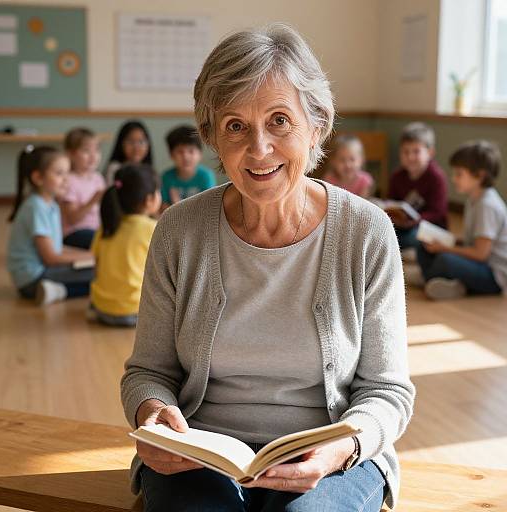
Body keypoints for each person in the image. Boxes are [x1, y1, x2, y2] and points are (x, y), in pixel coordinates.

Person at [121, 24, 414, 512]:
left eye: (280, 120)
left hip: (331, 457)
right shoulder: (178, 230)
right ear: (212, 135)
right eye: (235, 126)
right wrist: (152, 412)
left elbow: (387, 391)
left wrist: (345, 446)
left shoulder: (367, 232)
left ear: (316, 124)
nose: (259, 149)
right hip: (200, 452)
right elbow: (148, 372)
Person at [417, 140, 507, 300]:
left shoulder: (487, 205)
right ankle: (448, 283)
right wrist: (449, 241)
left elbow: (481, 254)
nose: (453, 178)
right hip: (480, 265)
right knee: (423, 245)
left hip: (494, 277)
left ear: (480, 175)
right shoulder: (474, 200)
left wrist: (445, 248)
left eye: (459, 174)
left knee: (445, 259)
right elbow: (474, 241)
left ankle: (432, 280)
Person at [7, 146, 94, 306]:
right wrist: (93, 257)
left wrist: (88, 255)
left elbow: (56, 248)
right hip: (33, 279)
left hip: (36, 276)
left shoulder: (50, 205)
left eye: (67, 173)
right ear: (38, 178)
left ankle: (55, 291)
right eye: (59, 173)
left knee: (96, 271)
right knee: (98, 273)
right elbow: (51, 258)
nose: (66, 179)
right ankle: (58, 290)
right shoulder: (36, 207)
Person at [88, 165, 161, 327]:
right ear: (149, 199)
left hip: (103, 309)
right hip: (136, 312)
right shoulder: (153, 228)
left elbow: (96, 267)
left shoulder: (106, 227)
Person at [388, 122, 448, 250]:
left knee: (412, 237)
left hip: (431, 227)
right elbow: (391, 203)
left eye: (416, 151)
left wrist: (415, 221)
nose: (410, 157)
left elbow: (438, 212)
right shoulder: (396, 176)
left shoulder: (436, 178)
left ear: (430, 153)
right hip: (403, 226)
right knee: (383, 233)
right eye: (405, 152)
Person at [61, 127, 106, 250]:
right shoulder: (68, 181)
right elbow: (73, 219)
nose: (93, 156)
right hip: (73, 233)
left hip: (96, 230)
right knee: (103, 242)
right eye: (86, 151)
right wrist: (94, 200)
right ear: (70, 154)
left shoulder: (98, 178)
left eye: (96, 151)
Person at [161, 125, 216, 208]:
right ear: (171, 155)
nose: (185, 157)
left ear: (200, 154)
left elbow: (209, 205)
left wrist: (178, 204)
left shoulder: (206, 176)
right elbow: (163, 207)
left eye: (191, 151)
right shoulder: (166, 177)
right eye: (180, 152)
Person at [105, 120, 153, 185]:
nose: (136, 147)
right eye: (130, 141)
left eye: (141, 142)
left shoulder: (149, 170)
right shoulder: (115, 169)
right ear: (121, 144)